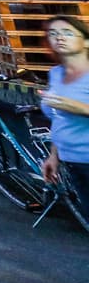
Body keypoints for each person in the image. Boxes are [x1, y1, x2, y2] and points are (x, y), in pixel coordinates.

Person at [39, 15, 89, 203]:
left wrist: (75, 106)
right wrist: (54, 156)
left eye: (67, 33)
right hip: (73, 161)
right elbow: (58, 118)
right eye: (53, 33)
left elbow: (67, 107)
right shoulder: (56, 73)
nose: (59, 37)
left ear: (86, 41)